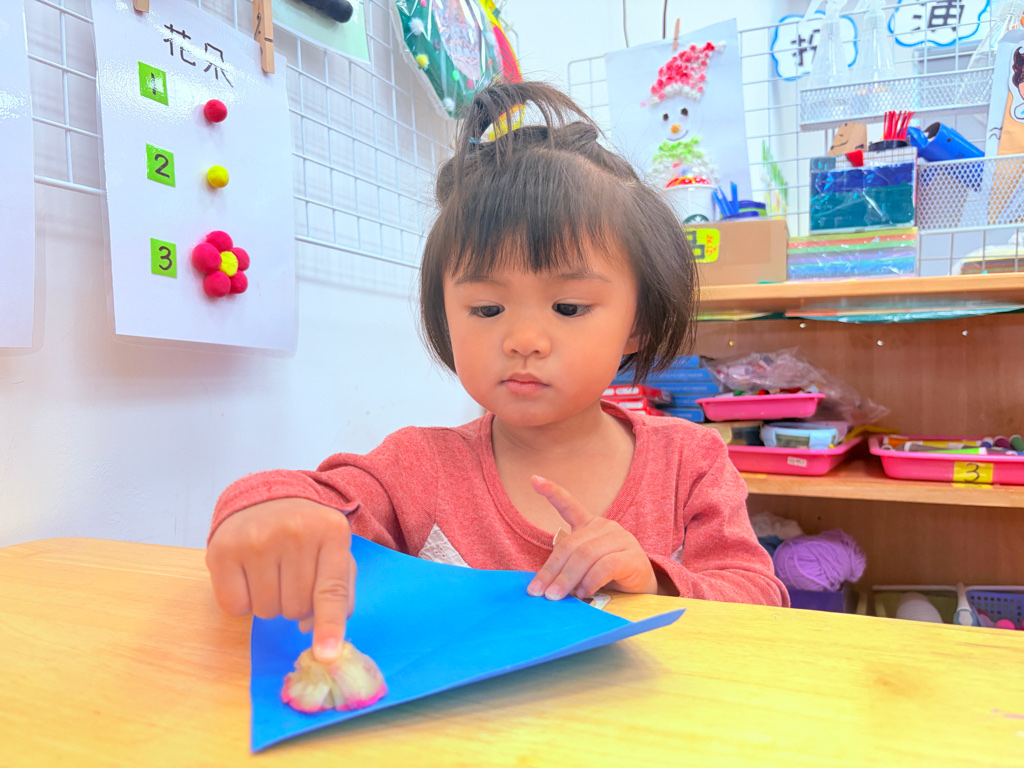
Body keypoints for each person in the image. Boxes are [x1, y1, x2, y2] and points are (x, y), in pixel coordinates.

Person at [206, 81, 788, 666]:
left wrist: (655, 581)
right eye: (486, 309)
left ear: (636, 322)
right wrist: (264, 511)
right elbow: (312, 499)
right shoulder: (421, 468)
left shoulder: (689, 463)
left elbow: (762, 601)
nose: (523, 340)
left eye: (568, 308)